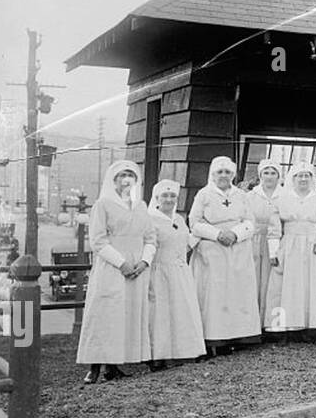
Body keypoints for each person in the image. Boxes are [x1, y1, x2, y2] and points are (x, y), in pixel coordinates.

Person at [77, 160, 157, 384]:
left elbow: (151, 238)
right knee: (105, 313)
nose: (126, 180)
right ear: (114, 180)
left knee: (127, 315)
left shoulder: (141, 206)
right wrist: (121, 263)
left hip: (137, 270)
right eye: (122, 175)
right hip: (112, 268)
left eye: (130, 175)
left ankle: (114, 365)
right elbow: (98, 241)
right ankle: (95, 366)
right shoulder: (103, 204)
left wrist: (144, 261)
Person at [189, 155, 262, 355]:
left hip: (237, 247)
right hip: (213, 248)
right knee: (215, 294)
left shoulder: (241, 195)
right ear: (213, 174)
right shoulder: (204, 195)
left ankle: (238, 336)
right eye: (219, 172)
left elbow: (250, 221)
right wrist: (217, 234)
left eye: (227, 172)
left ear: (233, 174)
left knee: (238, 292)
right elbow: (194, 222)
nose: (224, 176)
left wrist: (235, 234)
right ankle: (215, 337)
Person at [265, 162, 316, 339]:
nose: (303, 179)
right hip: (289, 246)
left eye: (307, 175)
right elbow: (274, 228)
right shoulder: (282, 200)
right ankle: (283, 329)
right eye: (299, 176)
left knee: (309, 286)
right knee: (286, 286)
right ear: (293, 178)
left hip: (311, 247)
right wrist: (273, 252)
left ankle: (308, 328)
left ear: (312, 178)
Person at [145, 179, 206, 369]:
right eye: (165, 195)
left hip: (180, 271)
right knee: (160, 314)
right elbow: (149, 245)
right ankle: (157, 356)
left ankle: (183, 351)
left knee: (181, 311)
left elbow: (184, 243)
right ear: (156, 198)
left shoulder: (179, 219)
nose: (169, 199)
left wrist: (204, 233)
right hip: (159, 271)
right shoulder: (150, 219)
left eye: (173, 196)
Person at [246, 158, 284, 326]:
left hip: (277, 242)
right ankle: (252, 324)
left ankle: (272, 323)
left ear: (278, 176)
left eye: (273, 173)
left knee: (274, 282)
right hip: (254, 241)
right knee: (253, 280)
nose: (269, 177)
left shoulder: (285, 195)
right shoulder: (250, 196)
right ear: (260, 175)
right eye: (266, 173)